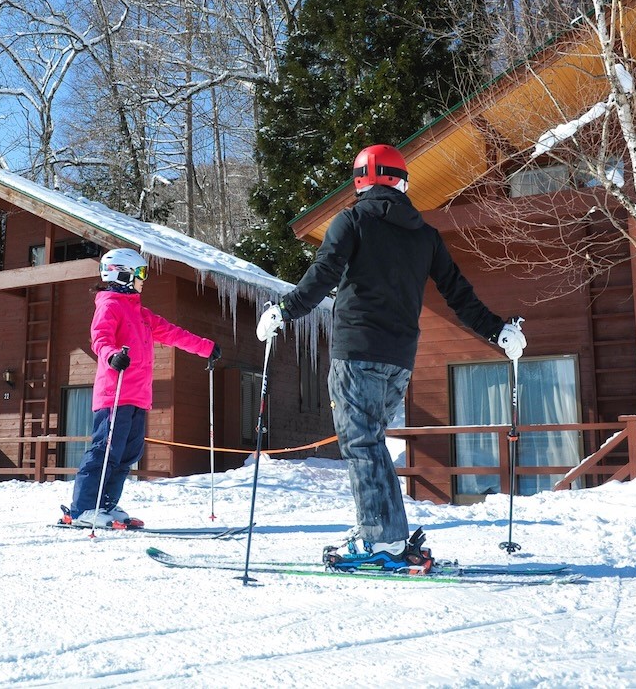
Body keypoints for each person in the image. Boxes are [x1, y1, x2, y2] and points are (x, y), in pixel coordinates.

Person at [257, 143, 526, 572]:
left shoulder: (352, 220)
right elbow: (459, 295)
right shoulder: (425, 235)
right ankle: (388, 536)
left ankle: (380, 540)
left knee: (361, 444)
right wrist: (499, 330)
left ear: (360, 181)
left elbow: (323, 274)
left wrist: (283, 310)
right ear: (402, 181)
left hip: (356, 352)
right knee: (372, 443)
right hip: (399, 359)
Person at [61, 248, 221, 529]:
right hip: (115, 394)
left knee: (127, 455)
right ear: (122, 274)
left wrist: (206, 348)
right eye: (141, 273)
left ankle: (106, 504)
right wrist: (112, 355)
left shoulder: (140, 313)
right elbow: (99, 338)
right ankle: (83, 508)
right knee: (104, 452)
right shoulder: (109, 304)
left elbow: (173, 333)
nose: (144, 280)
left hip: (138, 397)